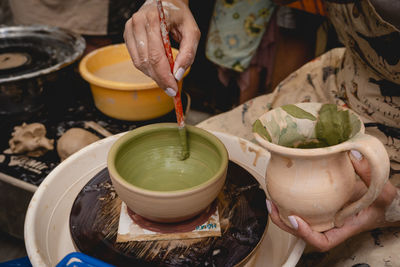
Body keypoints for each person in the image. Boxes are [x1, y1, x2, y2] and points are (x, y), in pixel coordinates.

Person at [124, 0, 400, 262]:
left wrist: (392, 209)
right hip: (347, 78)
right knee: (213, 158)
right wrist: (168, 4)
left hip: (388, 141)